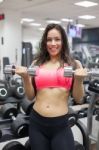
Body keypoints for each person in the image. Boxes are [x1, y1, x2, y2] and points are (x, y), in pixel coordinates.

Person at [15, 23, 87, 150]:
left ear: (63, 41)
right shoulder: (36, 63)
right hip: (37, 123)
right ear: (44, 42)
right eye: (49, 39)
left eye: (57, 39)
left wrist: (79, 80)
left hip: (60, 125)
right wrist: (25, 78)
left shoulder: (74, 64)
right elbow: (30, 96)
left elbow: (79, 98)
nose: (53, 43)